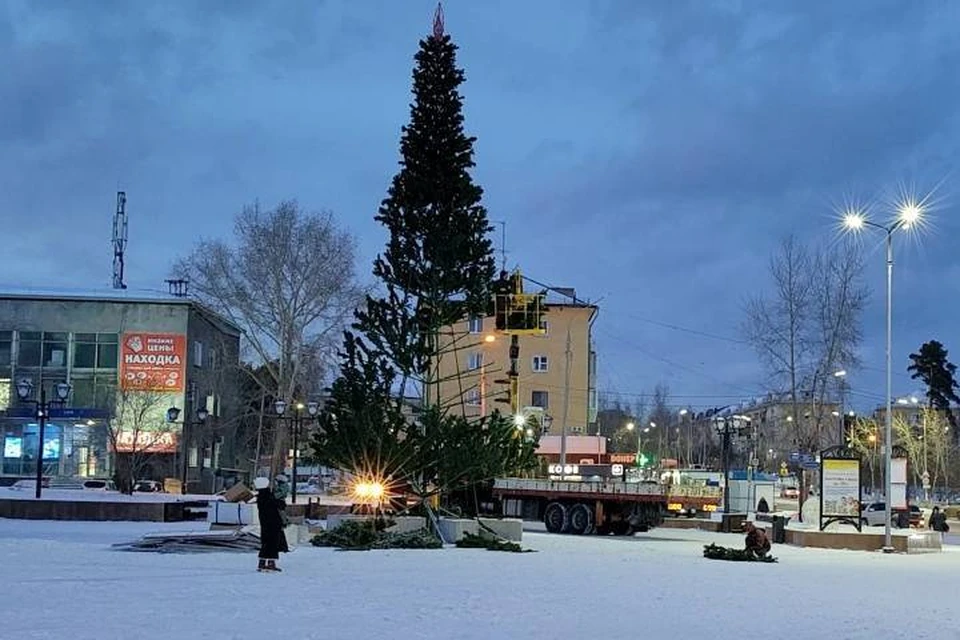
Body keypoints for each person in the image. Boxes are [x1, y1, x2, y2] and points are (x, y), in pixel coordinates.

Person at [255, 477, 288, 572]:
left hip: (264, 523)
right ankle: (270, 563)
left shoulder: (261, 497)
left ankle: (262, 563)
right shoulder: (269, 497)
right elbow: (280, 505)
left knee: (265, 543)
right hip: (273, 523)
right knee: (273, 544)